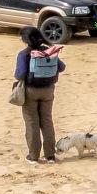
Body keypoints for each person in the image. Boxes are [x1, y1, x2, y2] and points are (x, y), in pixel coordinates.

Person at [15, 26, 64, 164]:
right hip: (48, 90)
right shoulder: (48, 51)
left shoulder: (24, 54)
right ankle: (50, 156)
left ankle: (33, 156)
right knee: (47, 121)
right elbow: (62, 67)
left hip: (31, 91)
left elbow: (19, 74)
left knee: (32, 122)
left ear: (25, 40)